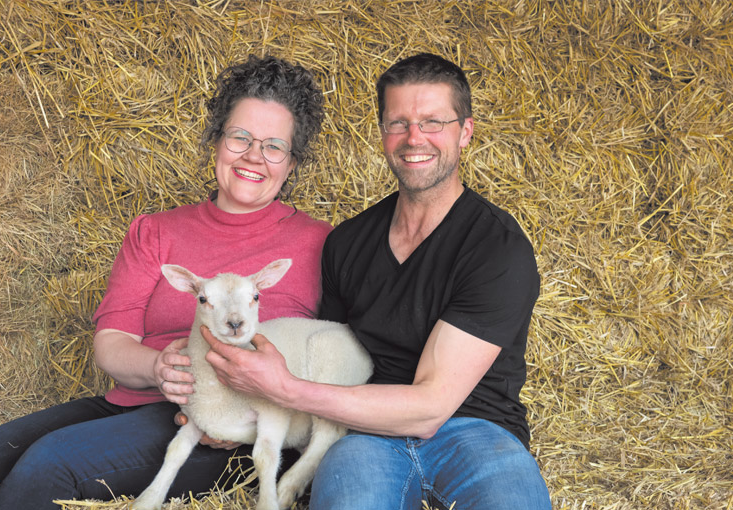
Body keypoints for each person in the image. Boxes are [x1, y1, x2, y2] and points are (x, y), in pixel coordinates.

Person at [0, 55, 331, 510]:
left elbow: (331, 355)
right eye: (240, 137)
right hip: (132, 401)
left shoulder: (320, 244)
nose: (254, 155)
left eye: (274, 146)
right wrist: (159, 367)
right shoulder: (155, 231)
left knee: (47, 469)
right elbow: (112, 342)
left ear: (292, 162)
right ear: (217, 140)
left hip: (228, 431)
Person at [201, 53, 553, 509]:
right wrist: (239, 414)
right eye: (398, 122)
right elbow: (328, 356)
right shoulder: (347, 243)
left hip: (476, 429)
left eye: (432, 122)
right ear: (383, 133)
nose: (414, 138)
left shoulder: (497, 248)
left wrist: (282, 388)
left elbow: (430, 408)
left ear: (465, 132)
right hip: (364, 436)